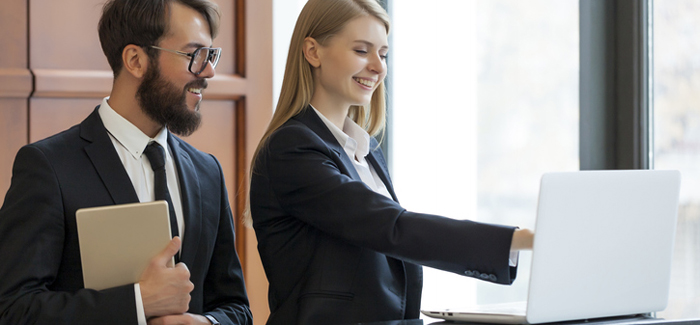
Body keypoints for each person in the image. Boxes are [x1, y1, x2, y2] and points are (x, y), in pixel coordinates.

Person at [247, 0, 534, 324]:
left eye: (382, 54)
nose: (379, 67)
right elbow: (391, 227)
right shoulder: (291, 149)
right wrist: (521, 240)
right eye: (361, 50)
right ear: (313, 52)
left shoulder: (365, 152)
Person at [0, 0, 252, 324]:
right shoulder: (48, 167)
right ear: (135, 60)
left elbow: (237, 308)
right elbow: (13, 310)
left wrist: (205, 323)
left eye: (210, 55)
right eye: (194, 55)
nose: (209, 71)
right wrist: (138, 301)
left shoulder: (207, 173)